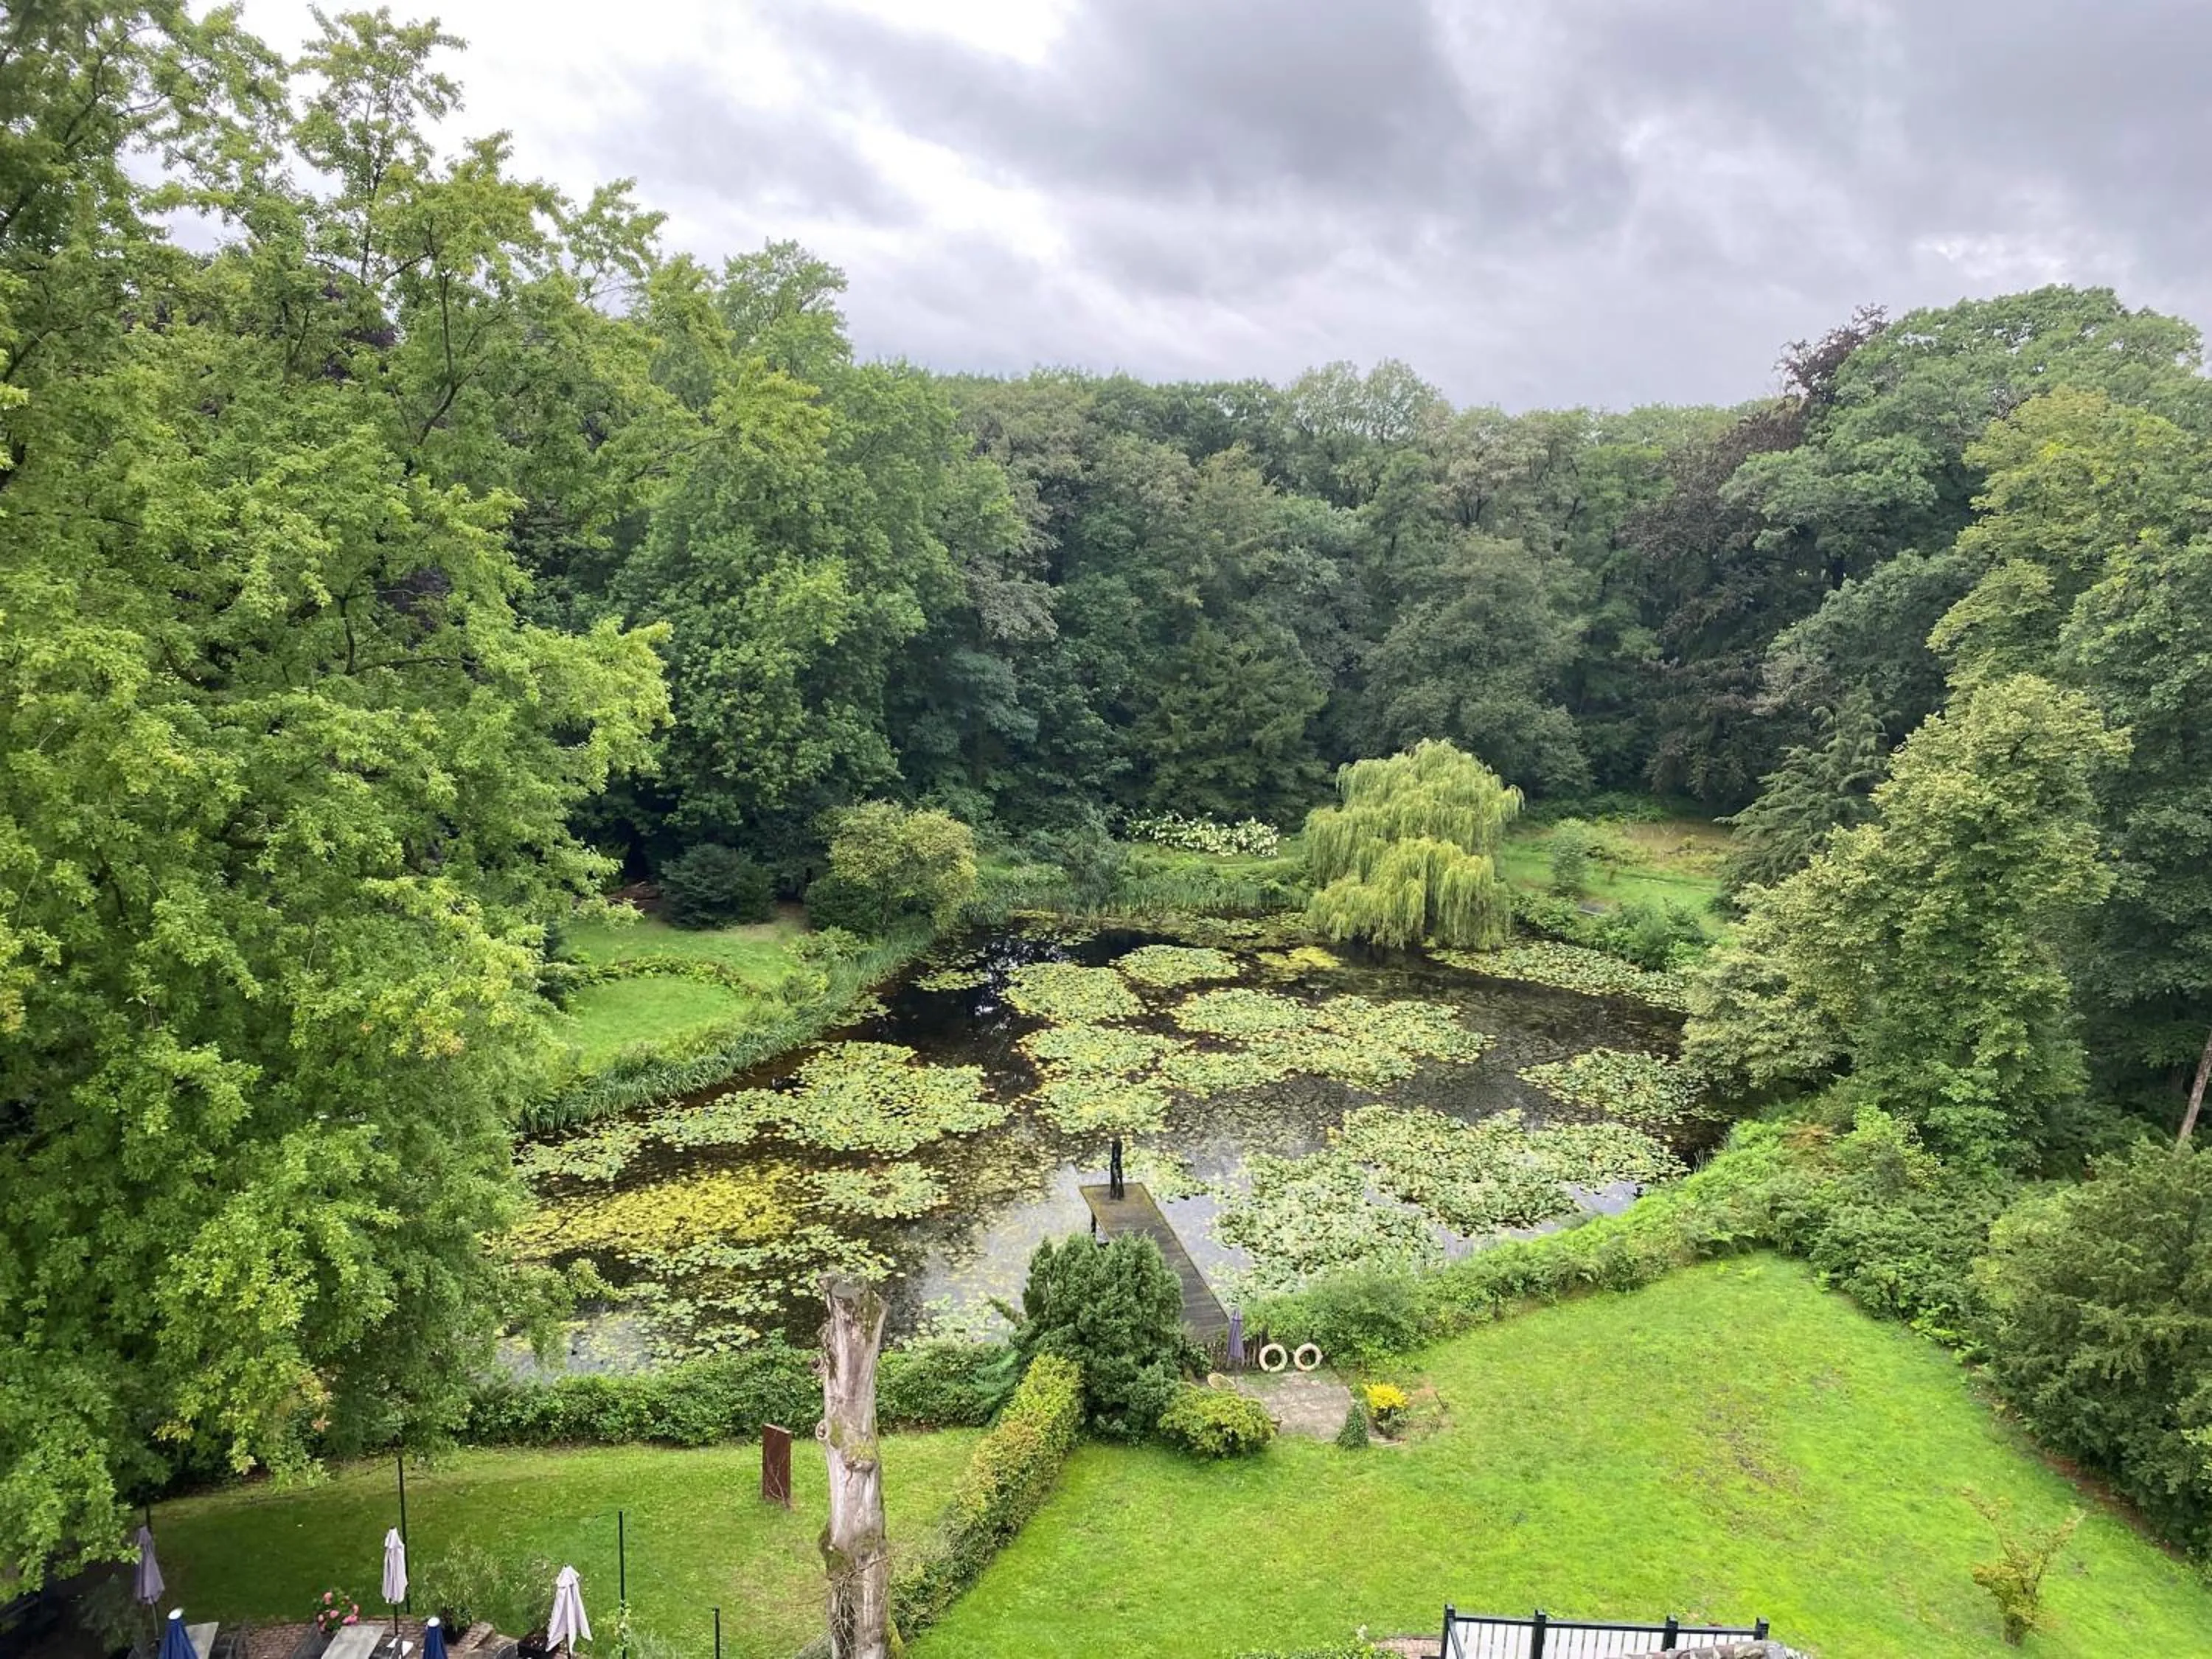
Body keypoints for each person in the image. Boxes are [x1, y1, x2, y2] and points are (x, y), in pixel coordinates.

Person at [1108, 1135, 1124, 1200]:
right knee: (1117, 1178)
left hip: (1116, 1164)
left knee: (1116, 1178)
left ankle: (1116, 1192)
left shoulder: (1115, 1161)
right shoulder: (1115, 1160)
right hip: (1116, 1164)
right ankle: (1117, 1192)